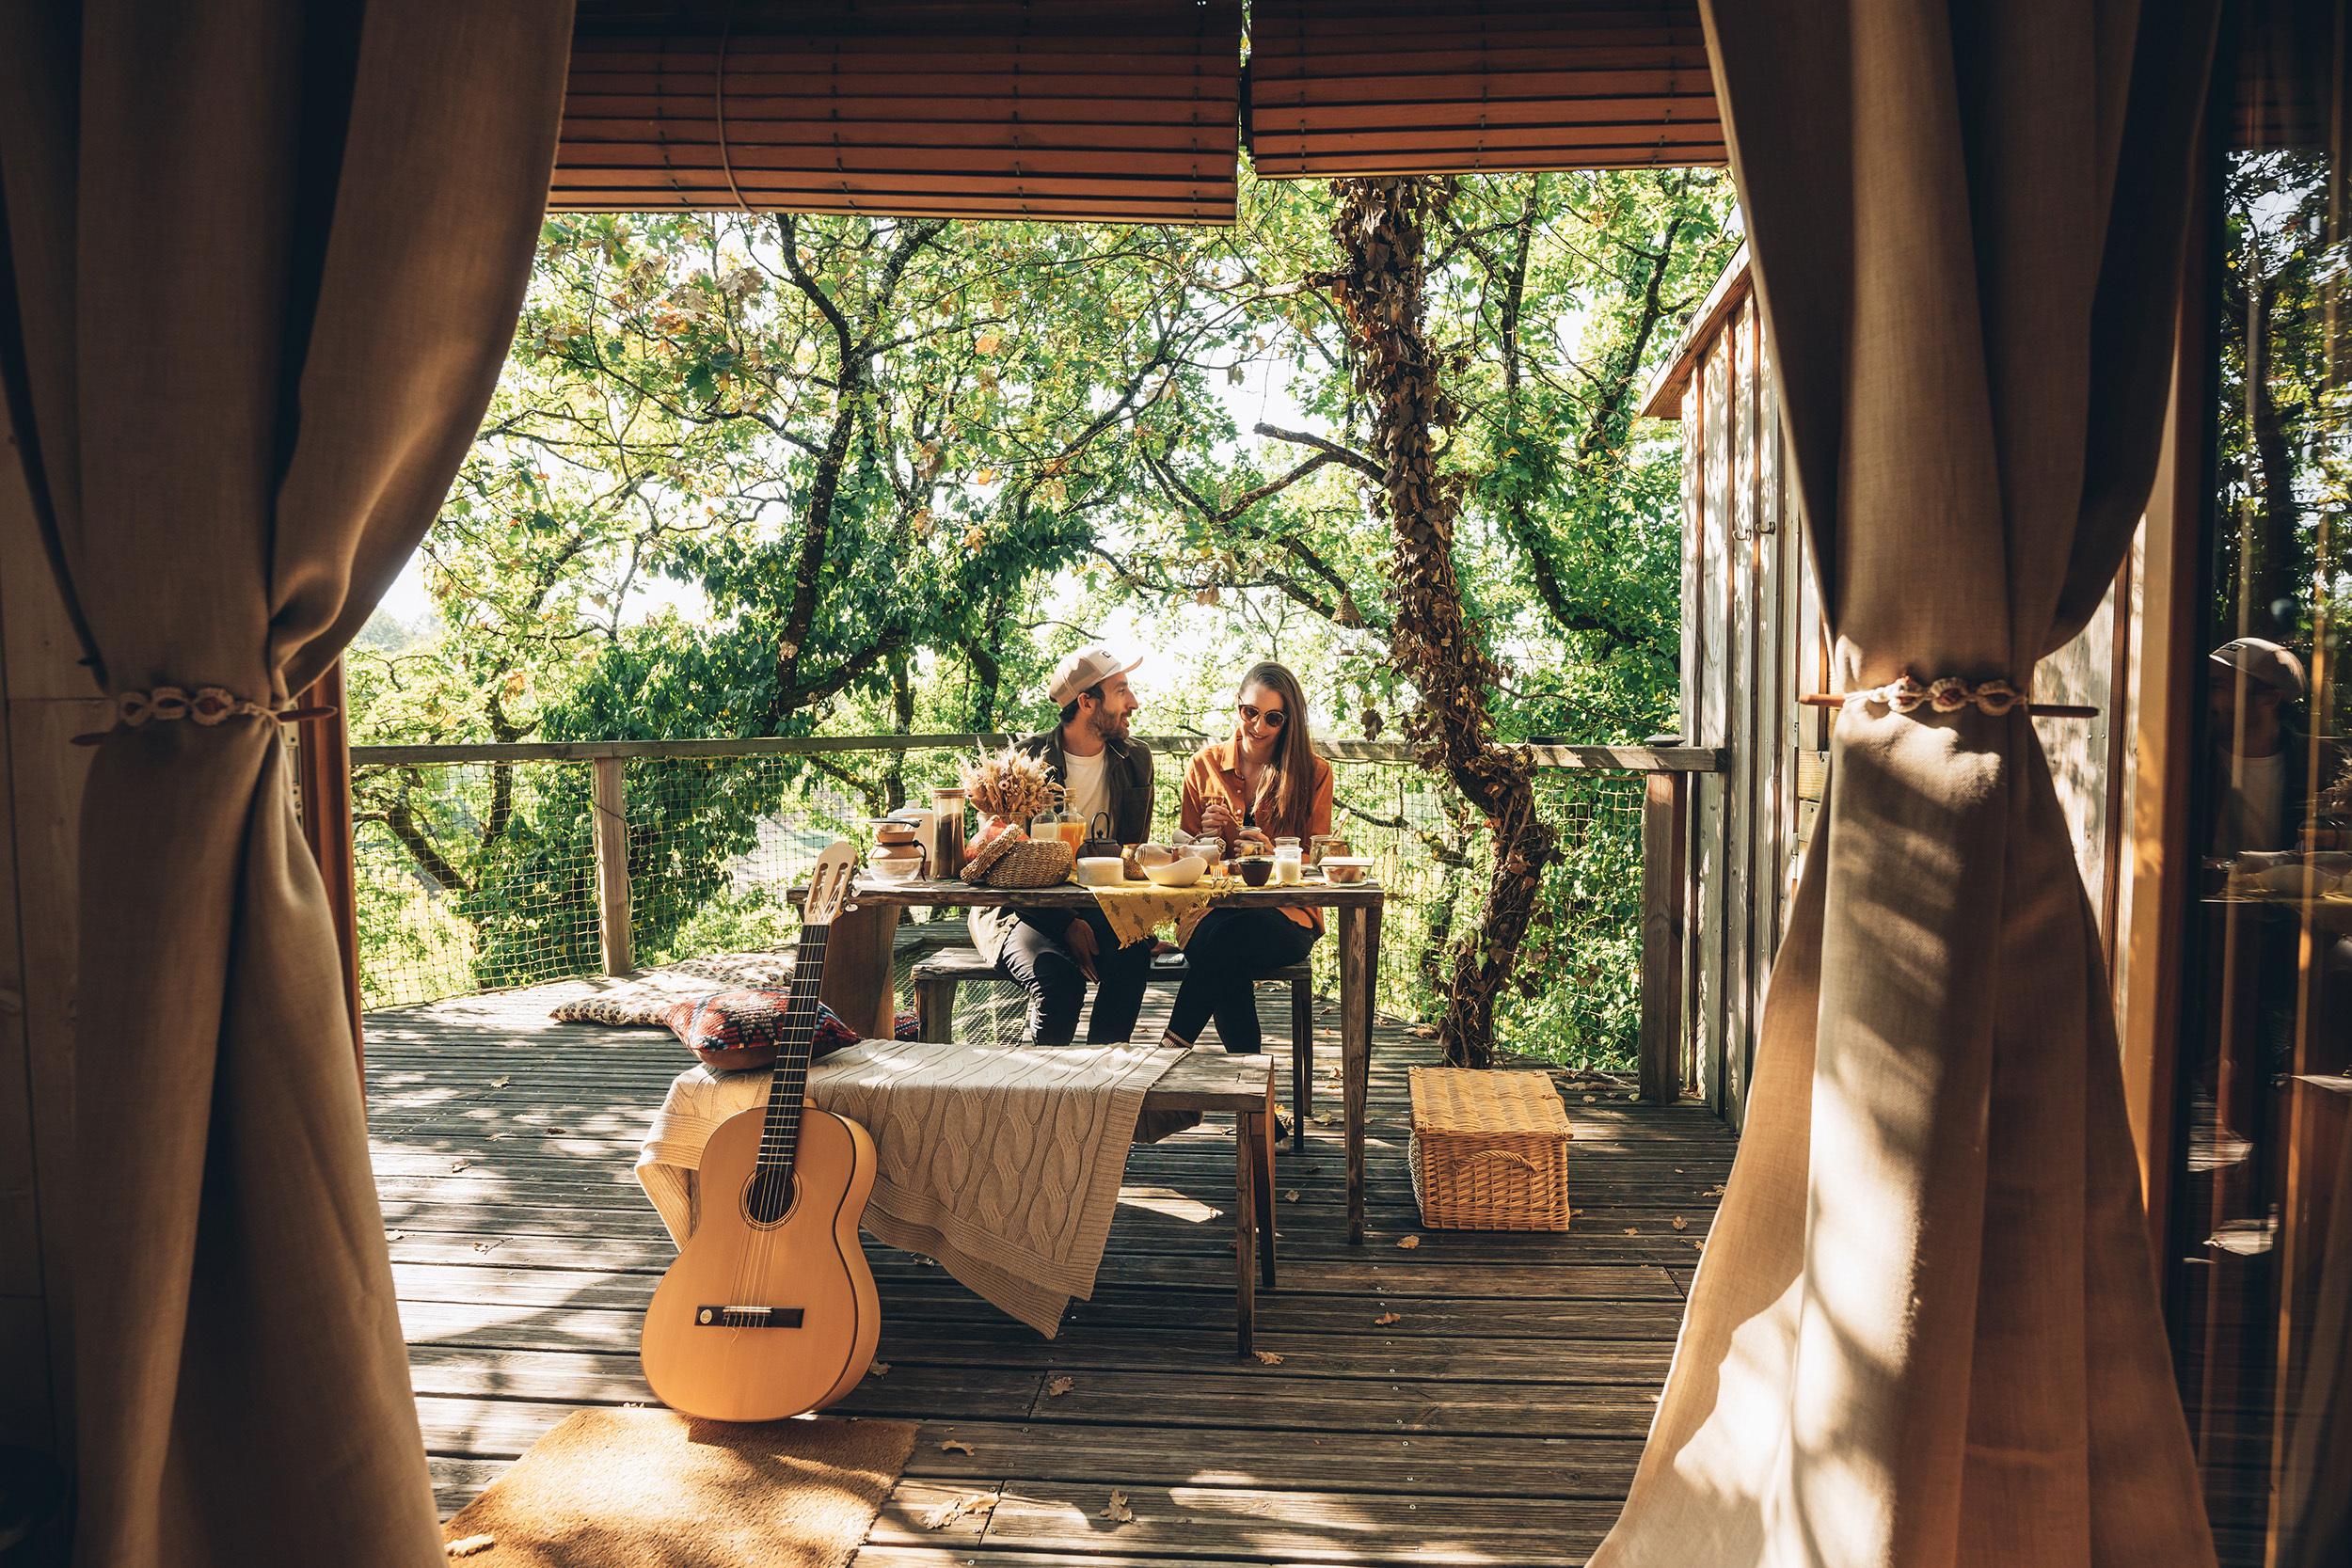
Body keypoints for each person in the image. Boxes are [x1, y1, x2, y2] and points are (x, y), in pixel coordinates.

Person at [970, 646, 1157, 1045]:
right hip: (1018, 911)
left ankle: (1102, 1083)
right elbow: (1001, 861)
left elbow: (1130, 851)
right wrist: (1065, 922)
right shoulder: (1024, 762)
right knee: (1059, 984)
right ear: (1087, 702)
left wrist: (1138, 919)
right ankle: (1042, 1096)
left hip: (1101, 905)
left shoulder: (1136, 758)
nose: (1134, 702)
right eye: (1121, 690)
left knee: (1133, 956)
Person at [1164, 660, 1333, 1053]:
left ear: (1288, 721)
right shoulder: (1203, 765)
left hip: (1286, 914)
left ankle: (1168, 1052)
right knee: (1224, 954)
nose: (1258, 727)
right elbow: (1182, 854)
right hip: (1208, 910)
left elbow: (1318, 860)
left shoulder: (1314, 772)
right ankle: (1259, 1108)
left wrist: (1275, 853)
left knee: (1224, 943)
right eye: (1250, 712)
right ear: (1237, 704)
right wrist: (1206, 839)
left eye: (1272, 718)